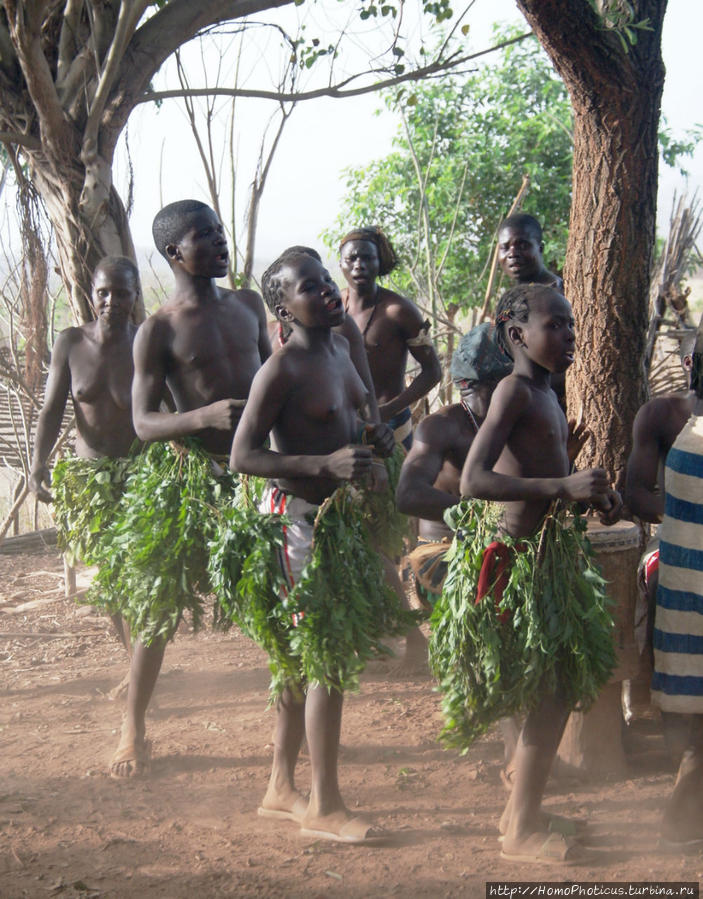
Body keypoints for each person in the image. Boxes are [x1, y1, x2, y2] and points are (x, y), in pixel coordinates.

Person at [231, 247, 402, 844]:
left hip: (340, 521)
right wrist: (323, 463)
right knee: (324, 652)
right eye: (310, 286)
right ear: (283, 306)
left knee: (308, 655)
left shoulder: (345, 342)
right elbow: (243, 456)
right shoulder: (279, 370)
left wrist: (374, 439)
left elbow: (366, 412)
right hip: (296, 523)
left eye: (327, 279)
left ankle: (281, 787)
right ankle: (324, 805)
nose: (328, 290)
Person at [459, 283, 620, 863]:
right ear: (515, 334)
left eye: (572, 326)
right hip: (515, 562)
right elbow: (473, 481)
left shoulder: (548, 393)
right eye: (556, 326)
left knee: (554, 691)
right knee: (548, 691)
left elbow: (548, 476)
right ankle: (520, 828)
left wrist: (595, 494)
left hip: (547, 559)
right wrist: (562, 485)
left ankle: (519, 813)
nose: (569, 336)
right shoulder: (514, 392)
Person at [109, 199, 270, 778]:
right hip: (191, 478)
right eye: (208, 235)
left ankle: (293, 730)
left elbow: (277, 377)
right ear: (176, 252)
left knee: (279, 596)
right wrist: (201, 419)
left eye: (222, 231)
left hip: (255, 476)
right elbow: (143, 422)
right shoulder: (158, 329)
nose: (222, 242)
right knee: (158, 608)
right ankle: (133, 726)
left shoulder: (250, 306)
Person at [29, 255, 141, 652]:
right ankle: (133, 658)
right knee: (110, 574)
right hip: (91, 481)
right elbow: (51, 409)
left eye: (121, 292)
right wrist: (37, 464)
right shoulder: (71, 342)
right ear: (91, 295)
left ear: (135, 295)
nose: (111, 300)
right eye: (103, 292)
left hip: (142, 478)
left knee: (138, 573)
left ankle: (141, 662)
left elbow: (171, 406)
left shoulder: (146, 343)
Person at [650, 328, 703, 850]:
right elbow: (637, 491)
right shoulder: (672, 421)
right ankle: (682, 815)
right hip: (689, 576)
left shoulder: (683, 425)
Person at [625, 332, 696, 666]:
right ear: (689, 363)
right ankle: (651, 675)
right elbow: (636, 493)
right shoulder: (662, 414)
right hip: (675, 537)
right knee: (662, 578)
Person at [339, 226, 441, 448]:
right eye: (351, 259)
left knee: (394, 481)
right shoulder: (333, 307)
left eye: (367, 258)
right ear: (340, 264)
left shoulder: (398, 311)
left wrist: (387, 410)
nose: (359, 265)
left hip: (391, 424)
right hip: (344, 423)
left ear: (380, 263)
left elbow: (433, 371)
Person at [497, 213, 564, 291]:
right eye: (505, 247)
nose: (512, 254)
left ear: (540, 248)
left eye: (523, 246)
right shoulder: (520, 294)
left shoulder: (557, 293)